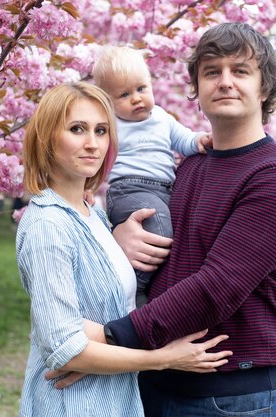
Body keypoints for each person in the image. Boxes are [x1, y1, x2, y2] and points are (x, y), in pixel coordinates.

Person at [101, 23, 276, 416]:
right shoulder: (190, 165)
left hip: (232, 398)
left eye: (240, 70)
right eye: (212, 71)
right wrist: (118, 235)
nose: (225, 81)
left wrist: (114, 337)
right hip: (155, 380)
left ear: (264, 88)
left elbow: (217, 288)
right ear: (197, 89)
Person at [15, 82, 231, 417]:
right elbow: (64, 348)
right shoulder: (47, 225)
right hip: (72, 404)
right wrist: (163, 359)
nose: (92, 143)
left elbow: (93, 308)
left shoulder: (93, 214)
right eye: (77, 129)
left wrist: (118, 235)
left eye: (101, 130)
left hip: (113, 398)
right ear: (46, 138)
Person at [91, 46, 212, 307]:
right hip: (129, 190)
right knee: (159, 230)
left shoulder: (161, 118)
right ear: (108, 102)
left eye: (141, 89)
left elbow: (184, 139)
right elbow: (97, 159)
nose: (136, 98)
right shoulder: (110, 125)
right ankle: (131, 288)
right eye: (124, 94)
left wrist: (200, 139)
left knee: (171, 232)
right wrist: (87, 187)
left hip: (163, 190)